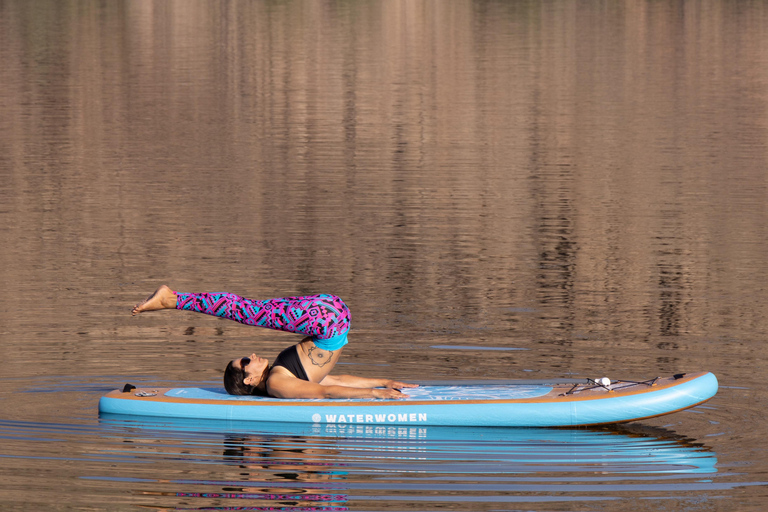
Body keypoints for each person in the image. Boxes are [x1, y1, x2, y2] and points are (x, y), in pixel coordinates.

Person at [132, 285, 417, 399]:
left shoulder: (280, 375)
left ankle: (174, 299)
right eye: (245, 362)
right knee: (249, 311)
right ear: (247, 380)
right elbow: (325, 390)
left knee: (250, 310)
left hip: (329, 316)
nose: (251, 356)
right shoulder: (277, 383)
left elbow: (331, 382)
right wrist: (377, 393)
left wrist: (383, 381)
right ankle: (172, 299)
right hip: (330, 318)